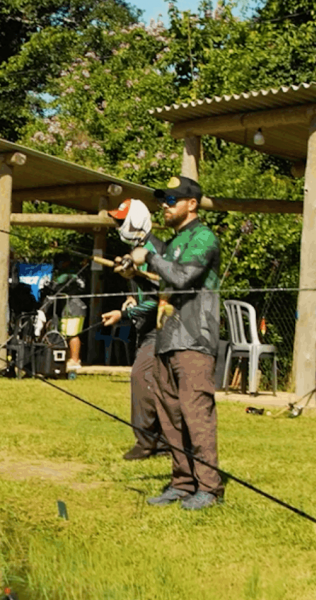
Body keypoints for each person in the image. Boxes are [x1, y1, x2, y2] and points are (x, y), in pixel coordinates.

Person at [122, 175, 226, 511]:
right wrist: (135, 270)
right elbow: (162, 275)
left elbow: (182, 276)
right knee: (171, 416)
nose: (164, 206)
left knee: (196, 414)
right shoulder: (174, 242)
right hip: (167, 338)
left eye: (171, 200)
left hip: (195, 339)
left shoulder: (204, 238)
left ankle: (210, 488)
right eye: (163, 200)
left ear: (191, 204)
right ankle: (182, 483)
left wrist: (148, 259)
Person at [101, 198, 167, 461]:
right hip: (149, 328)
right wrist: (131, 300)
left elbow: (157, 300)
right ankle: (162, 443)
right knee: (157, 386)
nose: (118, 224)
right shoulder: (136, 252)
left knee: (140, 377)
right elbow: (143, 293)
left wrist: (124, 313)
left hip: (162, 328)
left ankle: (147, 443)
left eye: (121, 220)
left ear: (134, 222)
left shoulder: (154, 252)